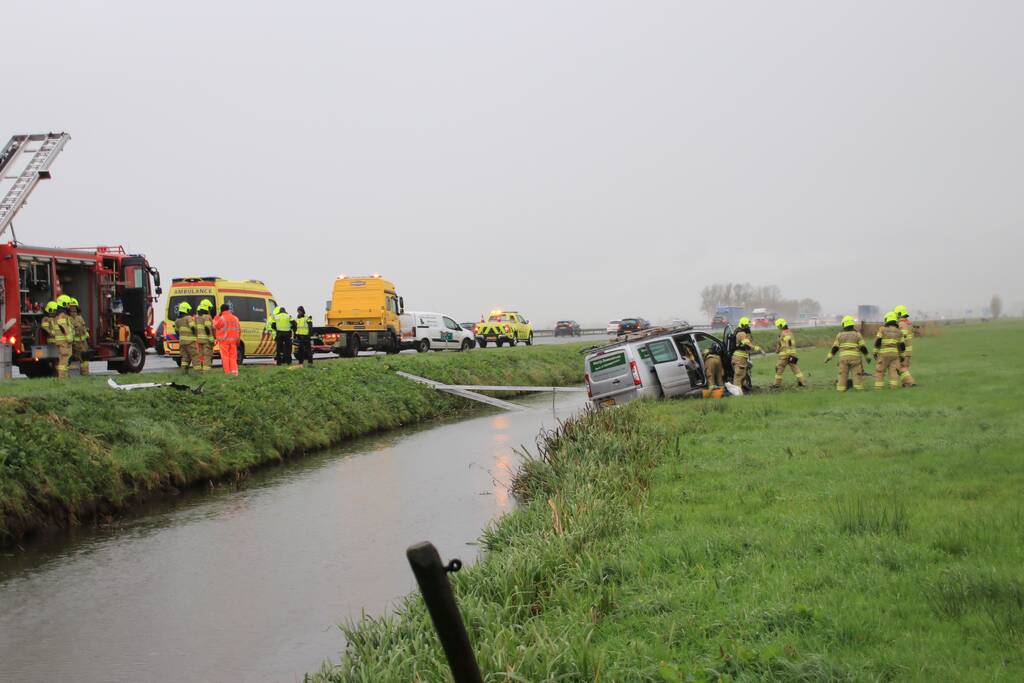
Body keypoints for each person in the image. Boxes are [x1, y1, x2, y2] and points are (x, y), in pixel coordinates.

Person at [825, 315, 871, 391]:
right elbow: (863, 347)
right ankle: (858, 390)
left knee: (842, 376)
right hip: (855, 359)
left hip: (843, 360)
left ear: (844, 324)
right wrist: (867, 357)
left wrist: (829, 357)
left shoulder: (839, 335)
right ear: (852, 324)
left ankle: (841, 390)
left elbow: (835, 348)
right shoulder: (857, 334)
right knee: (857, 376)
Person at [873, 311, 905, 390]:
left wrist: (875, 352)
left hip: (883, 354)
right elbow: (902, 346)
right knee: (894, 372)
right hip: (895, 355)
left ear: (887, 319)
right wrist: (902, 356)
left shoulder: (882, 329)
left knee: (880, 372)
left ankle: (878, 389)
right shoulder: (899, 331)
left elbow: (878, 341)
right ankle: (894, 388)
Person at [731, 317, 762, 394]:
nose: (748, 327)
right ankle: (737, 395)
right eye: (747, 325)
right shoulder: (741, 333)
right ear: (743, 325)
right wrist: (756, 348)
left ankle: (741, 392)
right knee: (738, 377)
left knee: (742, 376)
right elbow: (747, 344)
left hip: (739, 357)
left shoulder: (740, 332)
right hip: (739, 358)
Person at [772, 318, 805, 388]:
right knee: (796, 369)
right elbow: (782, 343)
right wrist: (778, 350)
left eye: (778, 326)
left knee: (779, 369)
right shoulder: (789, 332)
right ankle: (802, 382)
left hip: (785, 356)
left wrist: (787, 352)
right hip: (792, 354)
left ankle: (776, 384)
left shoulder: (784, 333)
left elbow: (788, 342)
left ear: (781, 326)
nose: (778, 328)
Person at [213, 303, 241, 375]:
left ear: (221, 310)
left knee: (225, 357)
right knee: (233, 357)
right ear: (228, 310)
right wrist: (237, 341)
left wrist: (217, 317)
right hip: (233, 341)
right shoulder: (236, 318)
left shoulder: (221, 318)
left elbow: (215, 325)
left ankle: (227, 373)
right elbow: (239, 331)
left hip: (224, 341)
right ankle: (234, 372)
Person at [51, 296, 74, 379]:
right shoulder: (62, 315)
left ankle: (64, 376)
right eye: (68, 304)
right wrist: (68, 336)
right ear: (64, 304)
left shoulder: (59, 314)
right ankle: (62, 377)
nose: (69, 306)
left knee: (64, 359)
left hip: (62, 341)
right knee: (64, 359)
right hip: (64, 341)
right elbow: (62, 326)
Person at [67, 297, 90, 376]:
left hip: (83, 343)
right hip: (75, 344)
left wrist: (86, 337)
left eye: (75, 310)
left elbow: (84, 329)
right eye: (71, 311)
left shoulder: (80, 318)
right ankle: (76, 374)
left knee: (85, 359)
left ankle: (85, 374)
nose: (73, 312)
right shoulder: (68, 319)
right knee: (78, 359)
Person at [894, 304, 916, 387]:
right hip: (908, 350)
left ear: (899, 314)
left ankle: (911, 383)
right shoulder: (909, 323)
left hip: (903, 351)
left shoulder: (902, 324)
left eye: (896, 315)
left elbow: (902, 336)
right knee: (904, 368)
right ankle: (905, 383)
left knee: (901, 368)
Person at [174, 302, 199, 373]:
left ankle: (184, 372)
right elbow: (193, 327)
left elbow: (176, 331)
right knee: (195, 356)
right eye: (188, 309)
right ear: (186, 309)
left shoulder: (177, 320)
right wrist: (196, 335)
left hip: (182, 342)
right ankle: (198, 372)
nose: (189, 311)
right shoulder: (188, 318)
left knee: (185, 358)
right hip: (190, 342)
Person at [194, 299, 215, 372]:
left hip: (199, 340)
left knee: (200, 356)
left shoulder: (197, 317)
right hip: (206, 340)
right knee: (207, 356)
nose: (210, 310)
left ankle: (199, 370)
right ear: (207, 307)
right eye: (209, 308)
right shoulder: (207, 317)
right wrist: (212, 340)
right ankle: (206, 371)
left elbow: (195, 329)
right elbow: (208, 329)